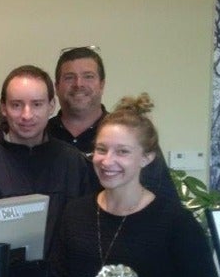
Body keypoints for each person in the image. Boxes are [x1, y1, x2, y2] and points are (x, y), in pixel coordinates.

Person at [21, 95, 218, 277]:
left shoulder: (176, 221)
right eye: (101, 149)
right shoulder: (75, 213)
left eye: (122, 151)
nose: (107, 161)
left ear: (146, 158)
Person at [0, 65, 94, 249]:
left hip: (61, 275)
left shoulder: (73, 162)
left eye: (37, 104)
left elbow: (84, 230)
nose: (27, 115)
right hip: (4, 275)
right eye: (16, 105)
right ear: (3, 108)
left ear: (51, 106)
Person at [47, 46, 179, 201]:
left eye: (88, 76)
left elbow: (164, 201)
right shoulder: (41, 136)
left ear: (102, 84)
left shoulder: (130, 134)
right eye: (69, 77)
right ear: (56, 87)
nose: (78, 84)